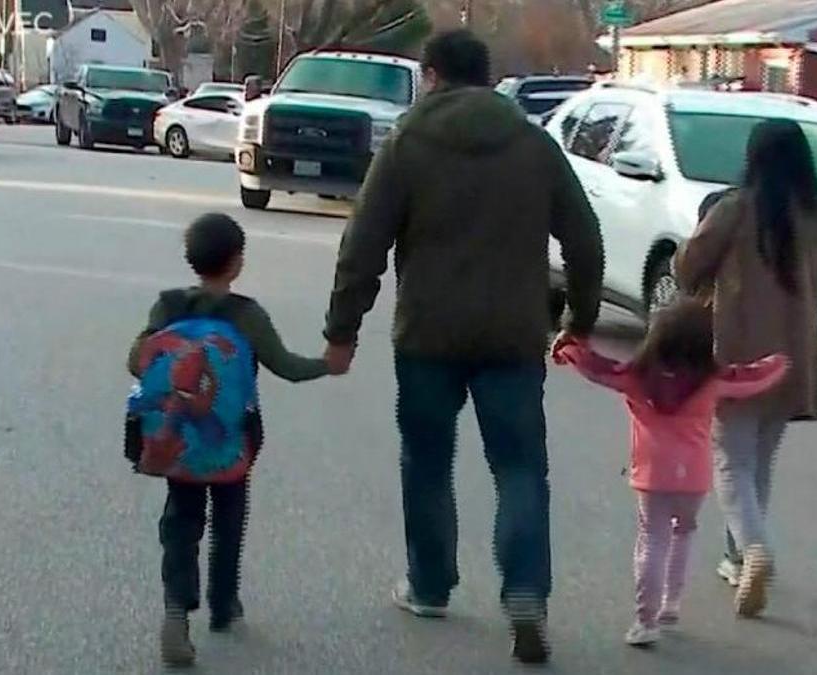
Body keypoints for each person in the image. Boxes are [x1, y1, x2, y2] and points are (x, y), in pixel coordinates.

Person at [321, 30, 604, 664]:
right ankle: (526, 591)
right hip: (512, 337)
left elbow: (361, 247)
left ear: (433, 75)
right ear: (487, 77)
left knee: (426, 460)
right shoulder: (534, 144)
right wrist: (580, 319)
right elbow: (585, 239)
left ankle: (429, 585)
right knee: (520, 468)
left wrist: (343, 330)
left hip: (427, 335)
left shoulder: (408, 143)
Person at [127, 213, 341, 667]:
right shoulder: (246, 315)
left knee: (181, 522)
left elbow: (137, 362)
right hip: (231, 442)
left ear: (191, 260)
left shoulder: (167, 308)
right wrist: (328, 363)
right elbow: (286, 366)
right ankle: (224, 606)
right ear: (237, 262)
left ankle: (175, 611)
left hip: (179, 440)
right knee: (228, 521)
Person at [675, 119, 817, 618]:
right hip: (793, 355)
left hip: (738, 351)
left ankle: (752, 549)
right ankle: (737, 555)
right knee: (760, 460)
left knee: (730, 459)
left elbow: (688, 269)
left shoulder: (736, 209)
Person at [553, 299, 789, 647]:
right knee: (684, 534)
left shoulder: (635, 377)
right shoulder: (713, 380)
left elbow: (597, 368)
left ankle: (644, 619)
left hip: (652, 476)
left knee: (652, 540)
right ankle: (671, 604)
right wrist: (783, 360)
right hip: (693, 479)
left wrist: (568, 349)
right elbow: (754, 377)